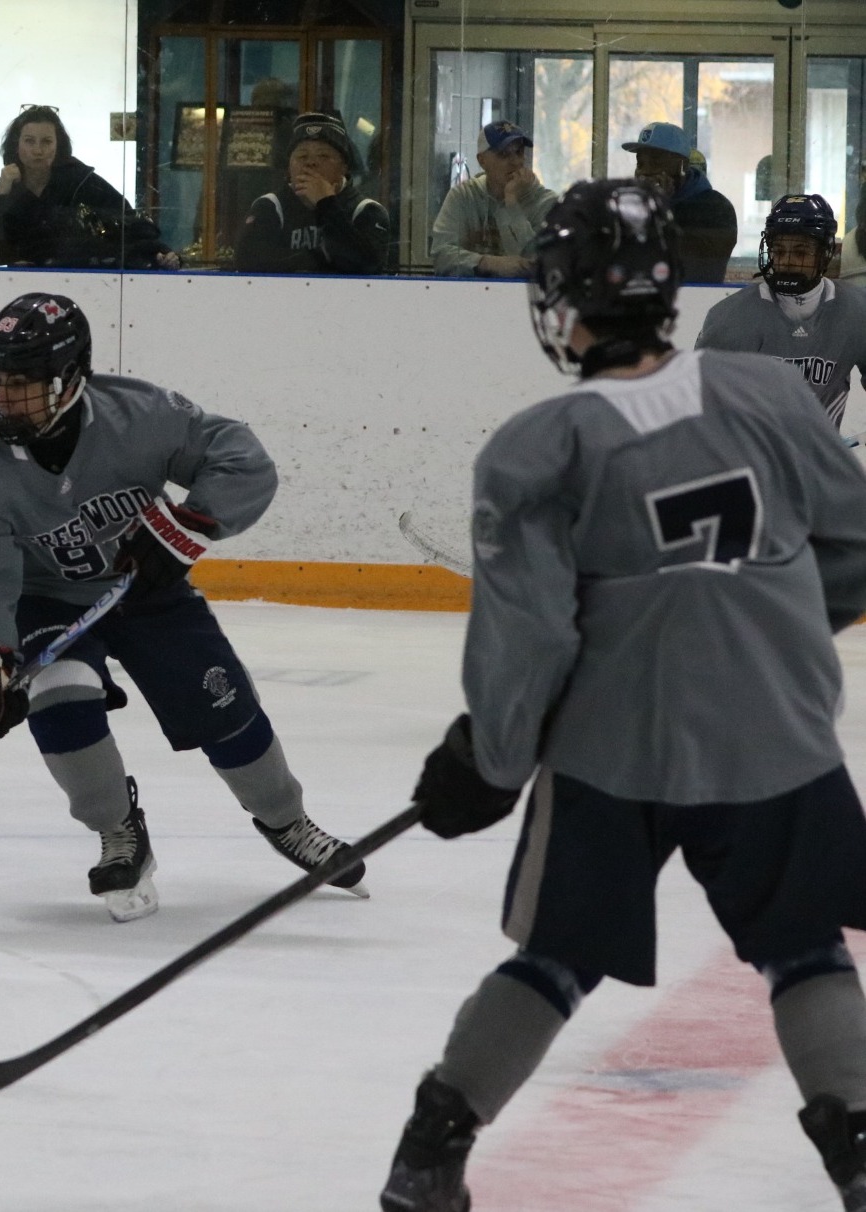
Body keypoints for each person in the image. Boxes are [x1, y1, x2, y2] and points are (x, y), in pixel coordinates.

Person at [377, 179, 866, 1212]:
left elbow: (528, 638)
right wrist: (768, 639)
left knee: (556, 956)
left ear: (559, 301)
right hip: (774, 739)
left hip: (611, 748)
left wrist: (489, 758)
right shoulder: (766, 393)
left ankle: (430, 1153)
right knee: (804, 947)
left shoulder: (533, 449)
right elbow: (855, 544)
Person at [0, 292, 368, 922]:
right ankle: (119, 830)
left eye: (23, 382)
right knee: (59, 696)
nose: (5, 397)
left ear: (71, 376)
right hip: (46, 598)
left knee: (223, 708)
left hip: (149, 591)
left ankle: (286, 820)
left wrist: (188, 525)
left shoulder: (141, 414)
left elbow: (242, 458)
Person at [696, 193, 866, 431]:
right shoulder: (729, 318)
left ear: (825, 253)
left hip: (819, 461)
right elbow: (702, 405)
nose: (787, 262)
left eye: (800, 252)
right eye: (779, 251)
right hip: (754, 461)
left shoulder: (857, 311)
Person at [0, 105, 179, 270]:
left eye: (46, 141)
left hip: (85, 279)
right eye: (29, 141)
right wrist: (1, 194)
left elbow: (128, 223)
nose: (38, 150)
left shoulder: (82, 181)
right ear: (16, 145)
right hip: (17, 284)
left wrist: (160, 252)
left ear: (59, 146)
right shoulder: (6, 187)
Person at [232, 111, 389, 275]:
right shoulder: (269, 206)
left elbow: (368, 267)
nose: (311, 163)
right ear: (289, 167)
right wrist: (323, 261)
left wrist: (327, 204)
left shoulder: (367, 211)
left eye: (323, 155)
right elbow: (247, 262)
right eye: (302, 156)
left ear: (343, 167)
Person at [429, 120, 558, 277]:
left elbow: (543, 265)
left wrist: (511, 204)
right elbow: (441, 256)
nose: (515, 162)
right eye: (503, 154)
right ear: (482, 161)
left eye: (519, 152)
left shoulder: (546, 203)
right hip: (468, 296)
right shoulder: (464, 196)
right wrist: (487, 263)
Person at [623, 120, 738, 282]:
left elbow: (694, 265)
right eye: (640, 163)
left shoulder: (716, 207)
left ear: (682, 166)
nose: (645, 172)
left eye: (656, 162)